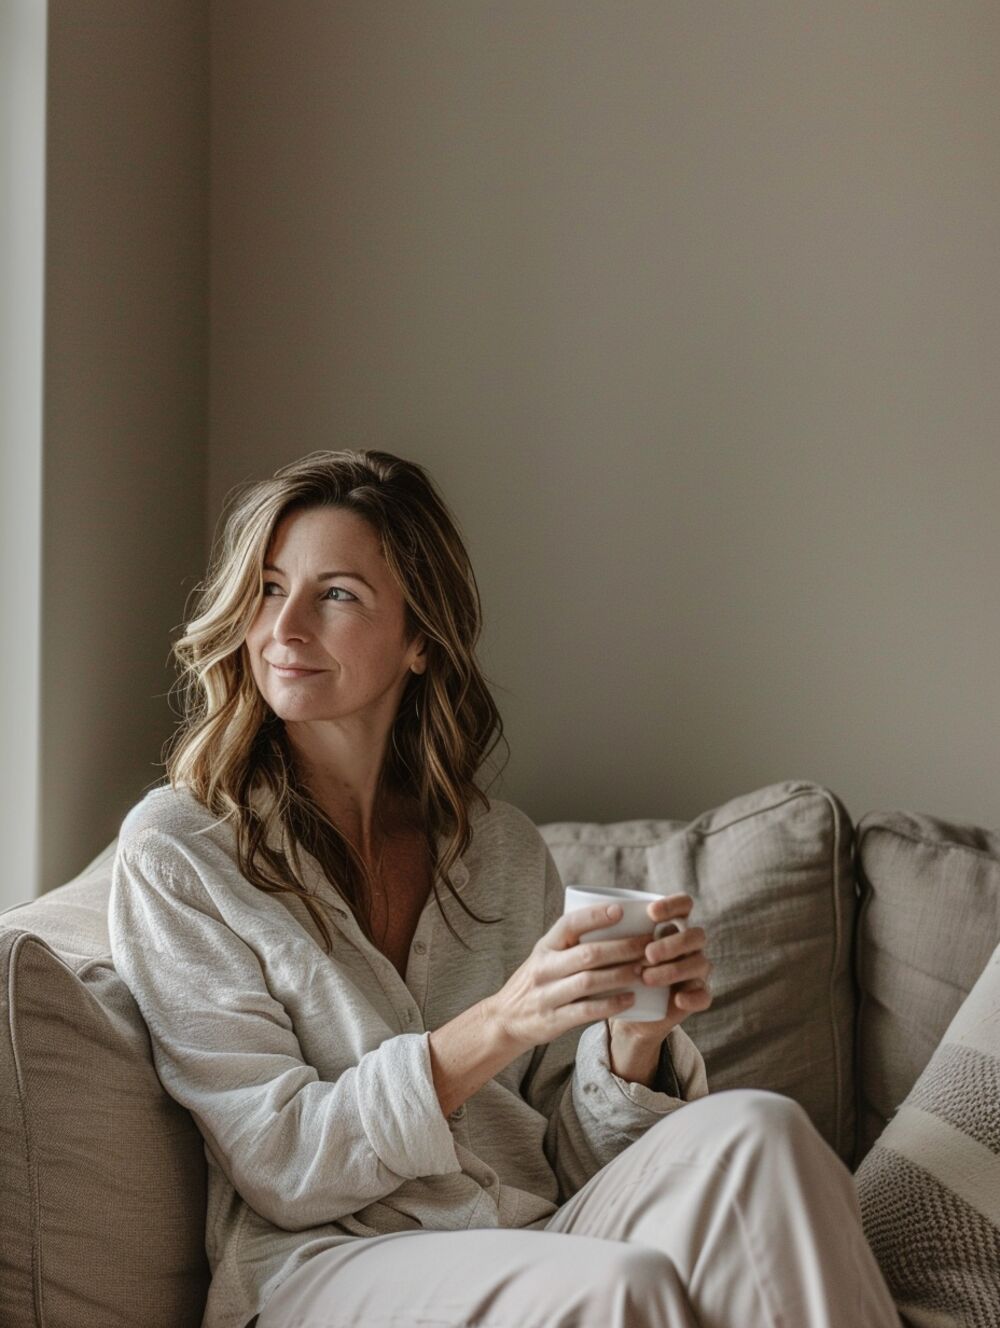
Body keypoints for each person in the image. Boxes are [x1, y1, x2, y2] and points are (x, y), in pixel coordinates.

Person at [108, 450, 900, 1328]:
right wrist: (501, 1023)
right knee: (618, 1286)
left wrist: (631, 1044)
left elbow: (574, 1164)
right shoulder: (182, 850)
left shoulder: (502, 849)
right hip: (325, 1265)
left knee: (760, 1130)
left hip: (536, 1232)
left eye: (336, 594)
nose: (283, 628)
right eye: (266, 589)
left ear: (419, 639)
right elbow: (281, 1163)